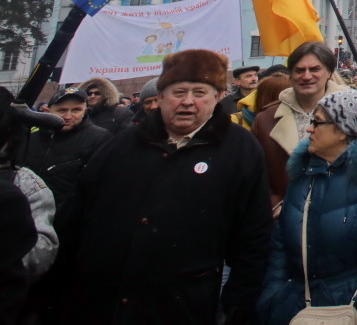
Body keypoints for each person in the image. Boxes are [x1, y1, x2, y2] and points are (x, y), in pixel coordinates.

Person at [62, 50, 271, 322]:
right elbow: (75, 216)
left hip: (183, 303)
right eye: (179, 92)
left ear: (218, 97)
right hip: (102, 300)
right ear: (160, 97)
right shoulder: (122, 144)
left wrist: (238, 304)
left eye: (199, 93)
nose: (187, 102)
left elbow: (253, 235)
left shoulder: (240, 149)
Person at [256, 90, 357, 325]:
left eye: (317, 122)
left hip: (356, 311)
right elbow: (281, 243)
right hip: (297, 308)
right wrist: (275, 296)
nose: (309, 129)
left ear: (341, 130)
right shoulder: (302, 173)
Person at [253, 41, 349, 209]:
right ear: (290, 75)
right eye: (299, 70)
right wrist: (274, 204)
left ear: (329, 72)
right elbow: (253, 174)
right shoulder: (265, 119)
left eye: (314, 69)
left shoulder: (351, 112)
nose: (306, 76)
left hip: (339, 213)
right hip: (285, 217)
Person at [16, 87, 111, 226]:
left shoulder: (100, 138)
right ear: (48, 111)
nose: (68, 116)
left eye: (76, 110)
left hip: (69, 223)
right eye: (62, 110)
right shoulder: (31, 138)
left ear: (85, 110)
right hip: (25, 216)